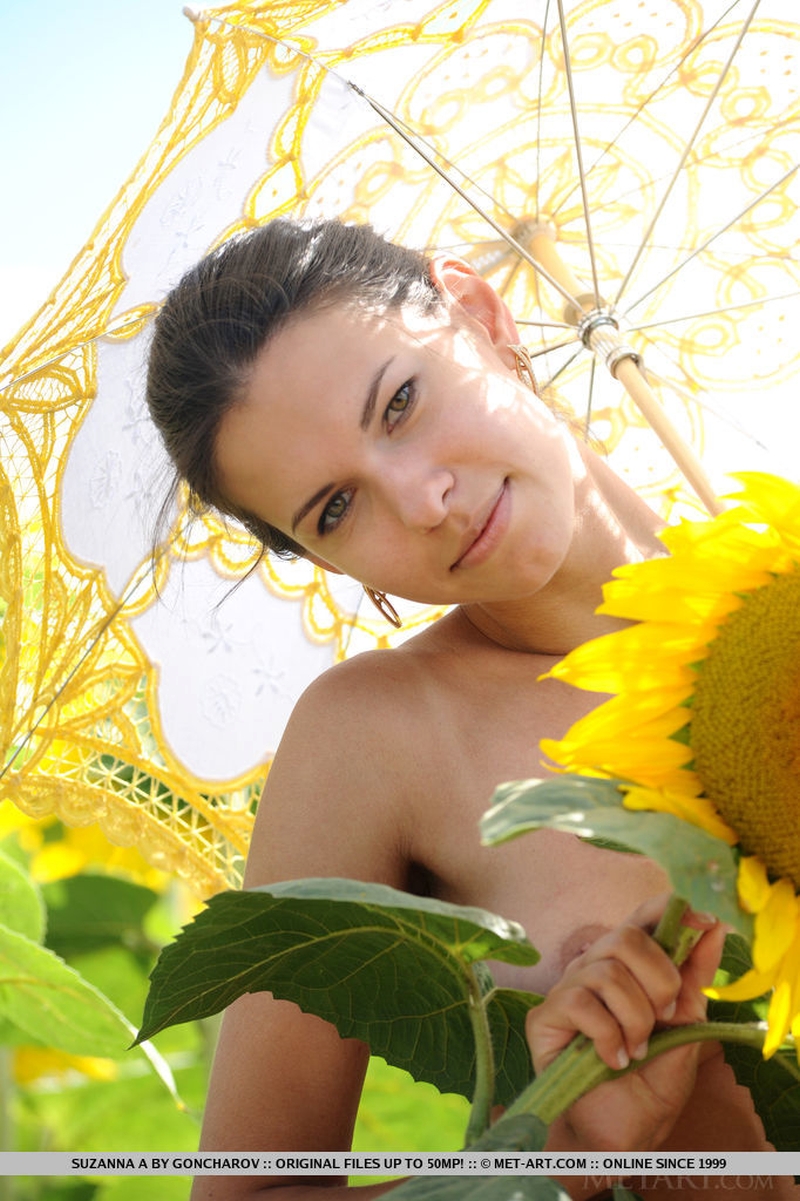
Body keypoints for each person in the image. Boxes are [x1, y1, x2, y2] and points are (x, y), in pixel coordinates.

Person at [145, 218, 794, 1201]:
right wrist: (562, 1164)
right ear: (327, 563)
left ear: (483, 316)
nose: (422, 500)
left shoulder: (777, 569)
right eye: (335, 509)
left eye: (399, 402)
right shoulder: (375, 741)